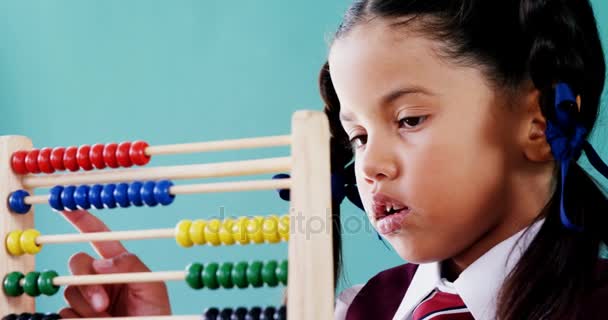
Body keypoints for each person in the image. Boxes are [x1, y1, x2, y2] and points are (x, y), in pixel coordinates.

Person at [60, 0, 608, 319]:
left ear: (540, 123)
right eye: (358, 136)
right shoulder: (357, 311)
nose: (370, 167)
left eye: (410, 120)